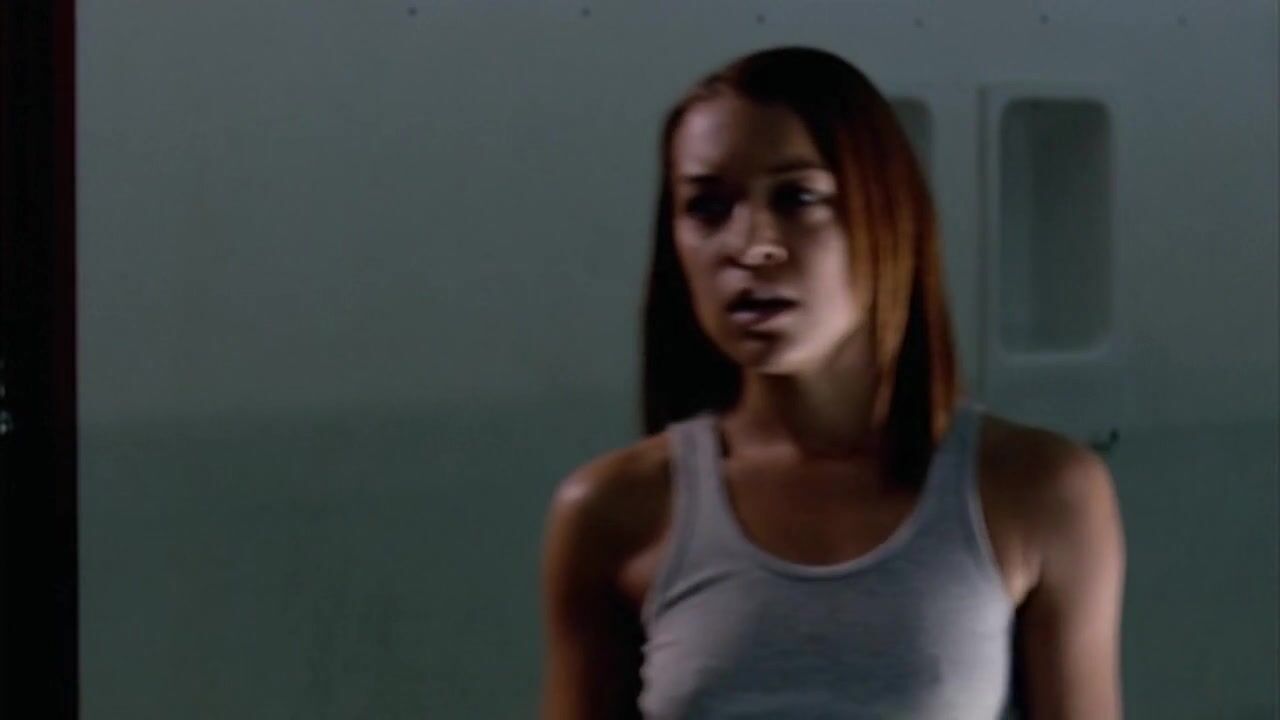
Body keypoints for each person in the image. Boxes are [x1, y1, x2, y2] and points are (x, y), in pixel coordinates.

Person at [539, 46, 1126, 719]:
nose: (753, 245)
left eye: (798, 198)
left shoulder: (1039, 492)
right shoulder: (611, 510)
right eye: (707, 206)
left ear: (886, 215)